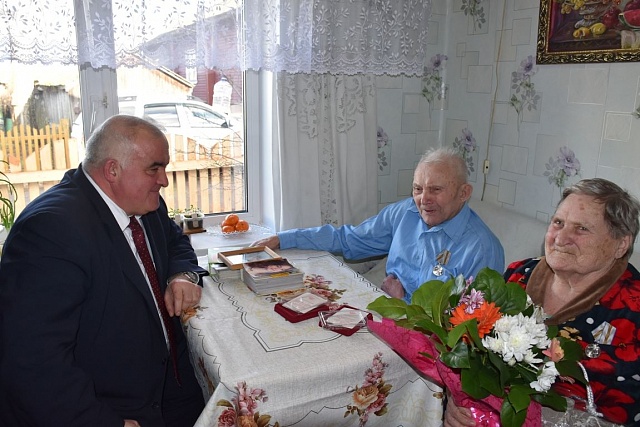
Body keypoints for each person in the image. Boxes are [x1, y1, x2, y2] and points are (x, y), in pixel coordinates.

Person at [0, 115, 208, 427]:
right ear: (112, 170)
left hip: (171, 385)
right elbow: (33, 359)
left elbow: (174, 240)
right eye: (154, 168)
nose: (164, 180)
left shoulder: (145, 204)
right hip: (114, 407)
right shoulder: (50, 231)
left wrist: (182, 275)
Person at [444, 178, 640, 426]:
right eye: (558, 222)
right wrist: (459, 401)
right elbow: (470, 350)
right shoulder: (518, 276)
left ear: (621, 244)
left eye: (581, 229)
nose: (561, 237)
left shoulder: (633, 308)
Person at [252, 147, 504, 302]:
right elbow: (348, 239)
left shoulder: (481, 249)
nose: (424, 200)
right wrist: (285, 238)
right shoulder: (405, 213)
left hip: (425, 343)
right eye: (418, 189)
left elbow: (466, 328)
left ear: (463, 193)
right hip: (383, 311)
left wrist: (403, 303)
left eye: (436, 190)